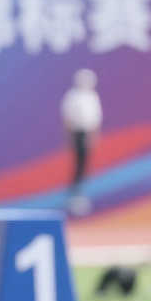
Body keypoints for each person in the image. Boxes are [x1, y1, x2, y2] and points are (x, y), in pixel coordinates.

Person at [60, 68, 102, 217]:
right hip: (77, 132)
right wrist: (70, 136)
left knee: (85, 164)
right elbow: (67, 118)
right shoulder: (72, 96)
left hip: (87, 132)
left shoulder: (92, 96)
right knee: (78, 164)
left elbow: (95, 119)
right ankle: (74, 195)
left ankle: (80, 193)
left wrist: (93, 136)